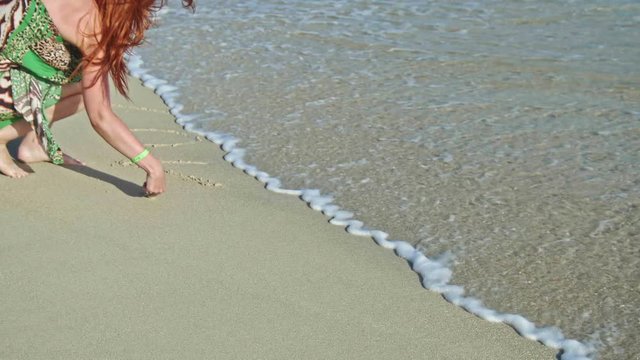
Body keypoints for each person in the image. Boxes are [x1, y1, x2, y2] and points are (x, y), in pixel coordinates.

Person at [0, 0, 194, 196]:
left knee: (73, 70)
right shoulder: (93, 29)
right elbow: (101, 117)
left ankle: (35, 143)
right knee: (86, 93)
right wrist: (153, 167)